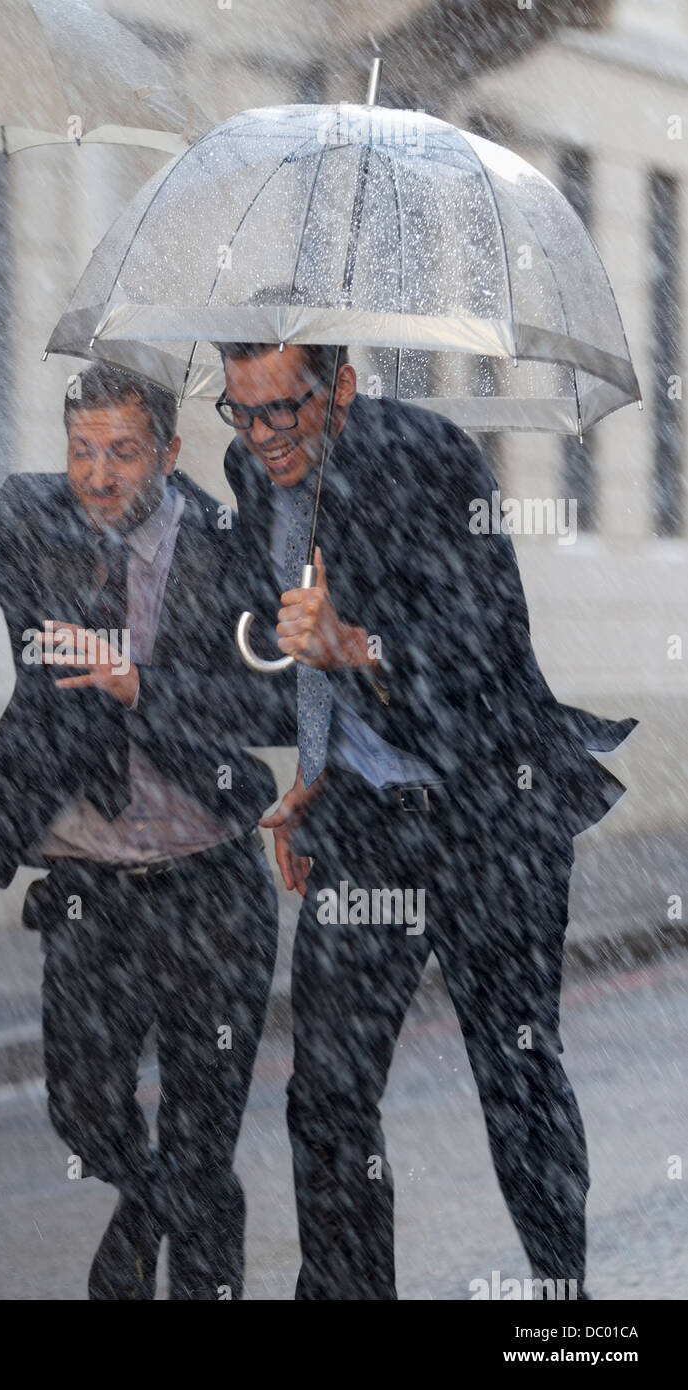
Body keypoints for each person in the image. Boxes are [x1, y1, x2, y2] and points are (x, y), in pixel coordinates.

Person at [0, 337, 296, 1299]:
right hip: (88, 897)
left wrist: (144, 687)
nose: (96, 475)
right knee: (84, 1114)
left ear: (168, 454)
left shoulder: (224, 542)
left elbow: (279, 709)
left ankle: (184, 1228)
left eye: (122, 452)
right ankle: (158, 1203)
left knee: (203, 1138)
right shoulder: (27, 517)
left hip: (212, 890)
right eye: (83, 449)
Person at [219, 333, 635, 1299]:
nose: (266, 435)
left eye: (286, 408)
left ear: (344, 388)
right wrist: (314, 773)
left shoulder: (432, 456)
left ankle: (562, 1310)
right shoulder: (250, 470)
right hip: (366, 825)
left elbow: (487, 642)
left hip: (492, 811)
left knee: (516, 1071)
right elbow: (291, 639)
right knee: (325, 1093)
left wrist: (359, 645)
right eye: (243, 410)